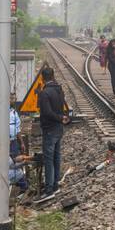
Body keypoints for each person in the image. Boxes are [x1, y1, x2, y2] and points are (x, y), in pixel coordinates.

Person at [36, 65, 70, 198]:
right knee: (56, 156)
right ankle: (55, 184)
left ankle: (49, 189)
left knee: (48, 159)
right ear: (53, 76)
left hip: (50, 129)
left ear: (43, 78)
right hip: (58, 129)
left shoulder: (45, 93)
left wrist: (60, 118)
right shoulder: (59, 90)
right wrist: (61, 118)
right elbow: (60, 108)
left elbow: (47, 112)